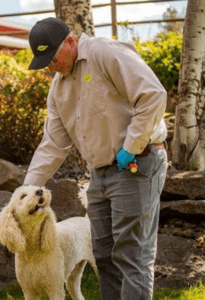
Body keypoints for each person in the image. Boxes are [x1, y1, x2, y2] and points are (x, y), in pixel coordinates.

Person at [23, 17, 168, 300]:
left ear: (70, 40)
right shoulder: (58, 87)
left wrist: (132, 146)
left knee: (131, 255)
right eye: (45, 64)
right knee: (103, 255)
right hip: (99, 174)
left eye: (52, 59)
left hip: (136, 164)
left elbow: (152, 95)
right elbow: (53, 144)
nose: (51, 67)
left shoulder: (105, 53)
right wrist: (26, 189)